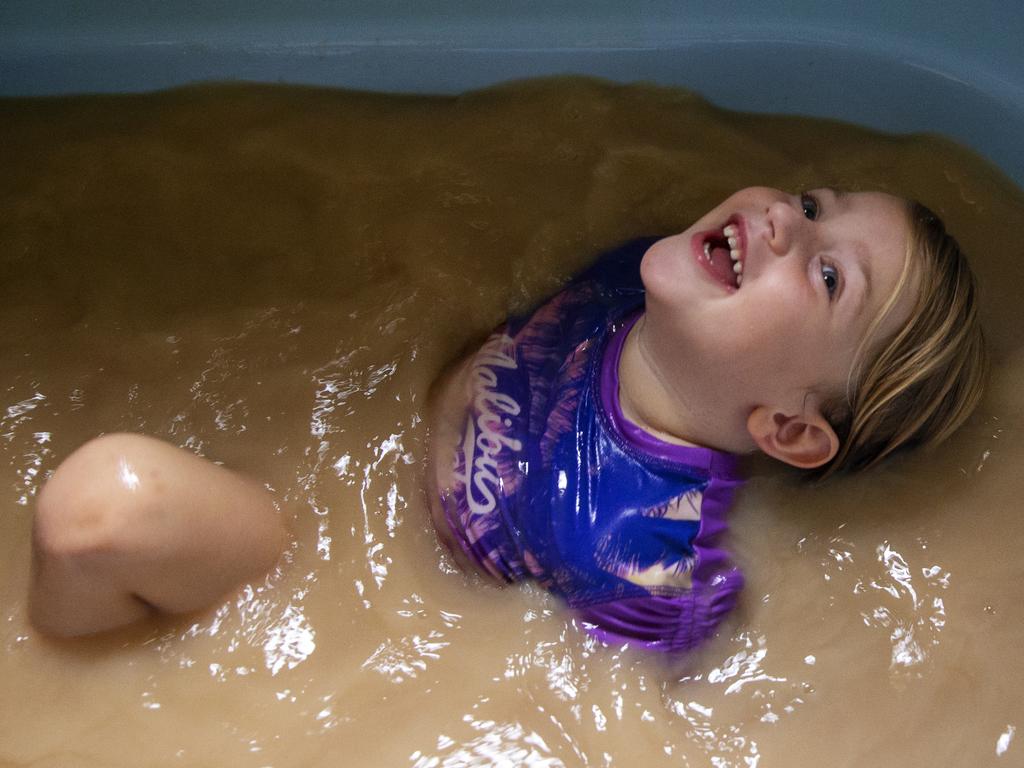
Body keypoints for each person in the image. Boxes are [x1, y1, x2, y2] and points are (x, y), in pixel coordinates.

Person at [27, 187, 987, 649]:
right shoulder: (635, 278)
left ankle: (51, 677)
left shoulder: (641, 552)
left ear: (787, 430)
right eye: (817, 201)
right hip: (365, 450)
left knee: (100, 509)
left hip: (319, 571)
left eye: (827, 274)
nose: (785, 215)